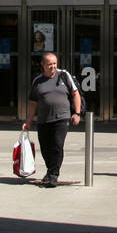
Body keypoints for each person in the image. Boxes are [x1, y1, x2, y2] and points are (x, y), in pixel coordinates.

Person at [23, 52, 81, 187]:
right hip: (43, 120)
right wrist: (29, 121)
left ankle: (53, 175)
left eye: (55, 63)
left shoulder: (64, 75)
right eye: (49, 64)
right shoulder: (37, 81)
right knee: (45, 147)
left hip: (62, 118)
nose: (53, 67)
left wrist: (77, 113)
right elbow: (32, 103)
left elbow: (75, 94)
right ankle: (50, 171)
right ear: (42, 65)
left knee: (57, 145)